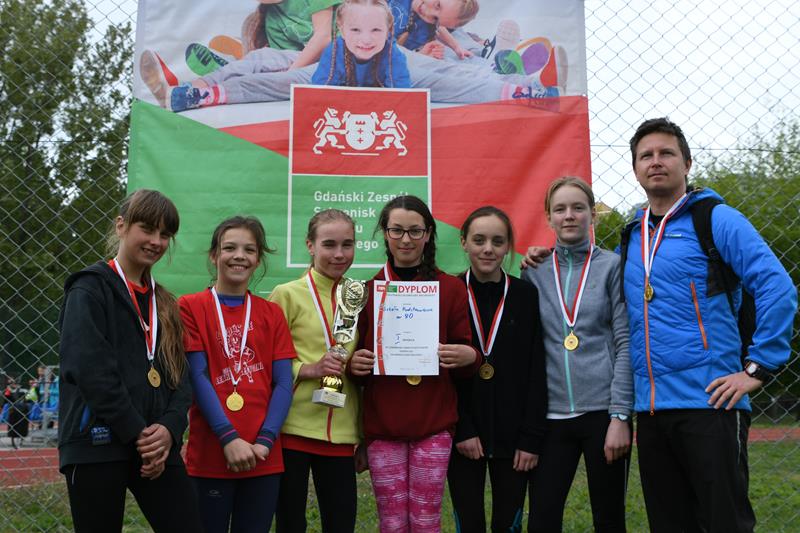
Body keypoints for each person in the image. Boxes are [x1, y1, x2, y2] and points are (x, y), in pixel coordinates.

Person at [623, 118, 796, 532]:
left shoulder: (716, 219)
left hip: (711, 403)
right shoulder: (632, 234)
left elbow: (777, 287)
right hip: (651, 411)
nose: (656, 161)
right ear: (636, 169)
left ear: (687, 163)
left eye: (666, 153)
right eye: (646, 155)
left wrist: (757, 367)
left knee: (724, 523)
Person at [57, 189, 202, 532]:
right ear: (121, 226)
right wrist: (140, 434)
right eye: (147, 229)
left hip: (156, 445)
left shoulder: (164, 303)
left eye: (165, 234)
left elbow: (181, 378)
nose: (156, 241)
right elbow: (91, 371)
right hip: (98, 443)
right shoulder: (89, 289)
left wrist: (169, 428)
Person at [348, 195, 480, 532]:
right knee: (392, 522)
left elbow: (465, 358)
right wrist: (355, 365)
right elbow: (356, 367)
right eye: (397, 230)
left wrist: (470, 357)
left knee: (425, 520)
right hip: (383, 426)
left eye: (415, 231)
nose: (405, 239)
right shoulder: (367, 291)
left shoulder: (450, 289)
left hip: (433, 424)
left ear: (428, 234)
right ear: (385, 233)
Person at [521, 177, 632, 532]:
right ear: (549, 218)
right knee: (542, 519)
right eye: (560, 209)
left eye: (578, 208)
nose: (569, 215)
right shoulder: (533, 271)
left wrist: (620, 415)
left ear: (592, 215)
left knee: (609, 519)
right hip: (551, 417)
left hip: (603, 414)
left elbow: (625, 342)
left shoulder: (613, 266)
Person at [179, 216, 296, 532]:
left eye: (249, 249)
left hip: (263, 456)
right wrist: (228, 437)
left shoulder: (271, 313)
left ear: (258, 259)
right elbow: (197, 376)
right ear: (213, 255)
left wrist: (266, 441)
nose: (239, 256)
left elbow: (284, 383)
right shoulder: (190, 307)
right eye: (229, 248)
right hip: (212, 454)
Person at [447, 206, 548, 532]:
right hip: (464, 436)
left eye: (497, 241)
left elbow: (537, 370)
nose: (488, 249)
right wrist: (462, 429)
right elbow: (443, 374)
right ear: (464, 242)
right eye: (479, 240)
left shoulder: (525, 295)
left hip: (515, 438)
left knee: (509, 523)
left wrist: (530, 438)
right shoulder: (449, 293)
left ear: (508, 247)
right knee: (469, 523)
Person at [269, 209, 362, 532]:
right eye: (329, 244)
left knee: (341, 524)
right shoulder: (286, 294)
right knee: (290, 524)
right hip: (293, 427)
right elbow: (266, 361)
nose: (339, 254)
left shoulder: (358, 296)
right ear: (310, 245)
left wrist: (359, 366)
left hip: (341, 432)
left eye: (347, 244)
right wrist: (308, 369)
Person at [311, 0, 410, 87]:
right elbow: (321, 93)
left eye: (376, 30)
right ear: (342, 31)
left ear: (387, 30)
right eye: (355, 30)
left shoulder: (393, 55)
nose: (366, 40)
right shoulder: (333, 53)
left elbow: (400, 95)